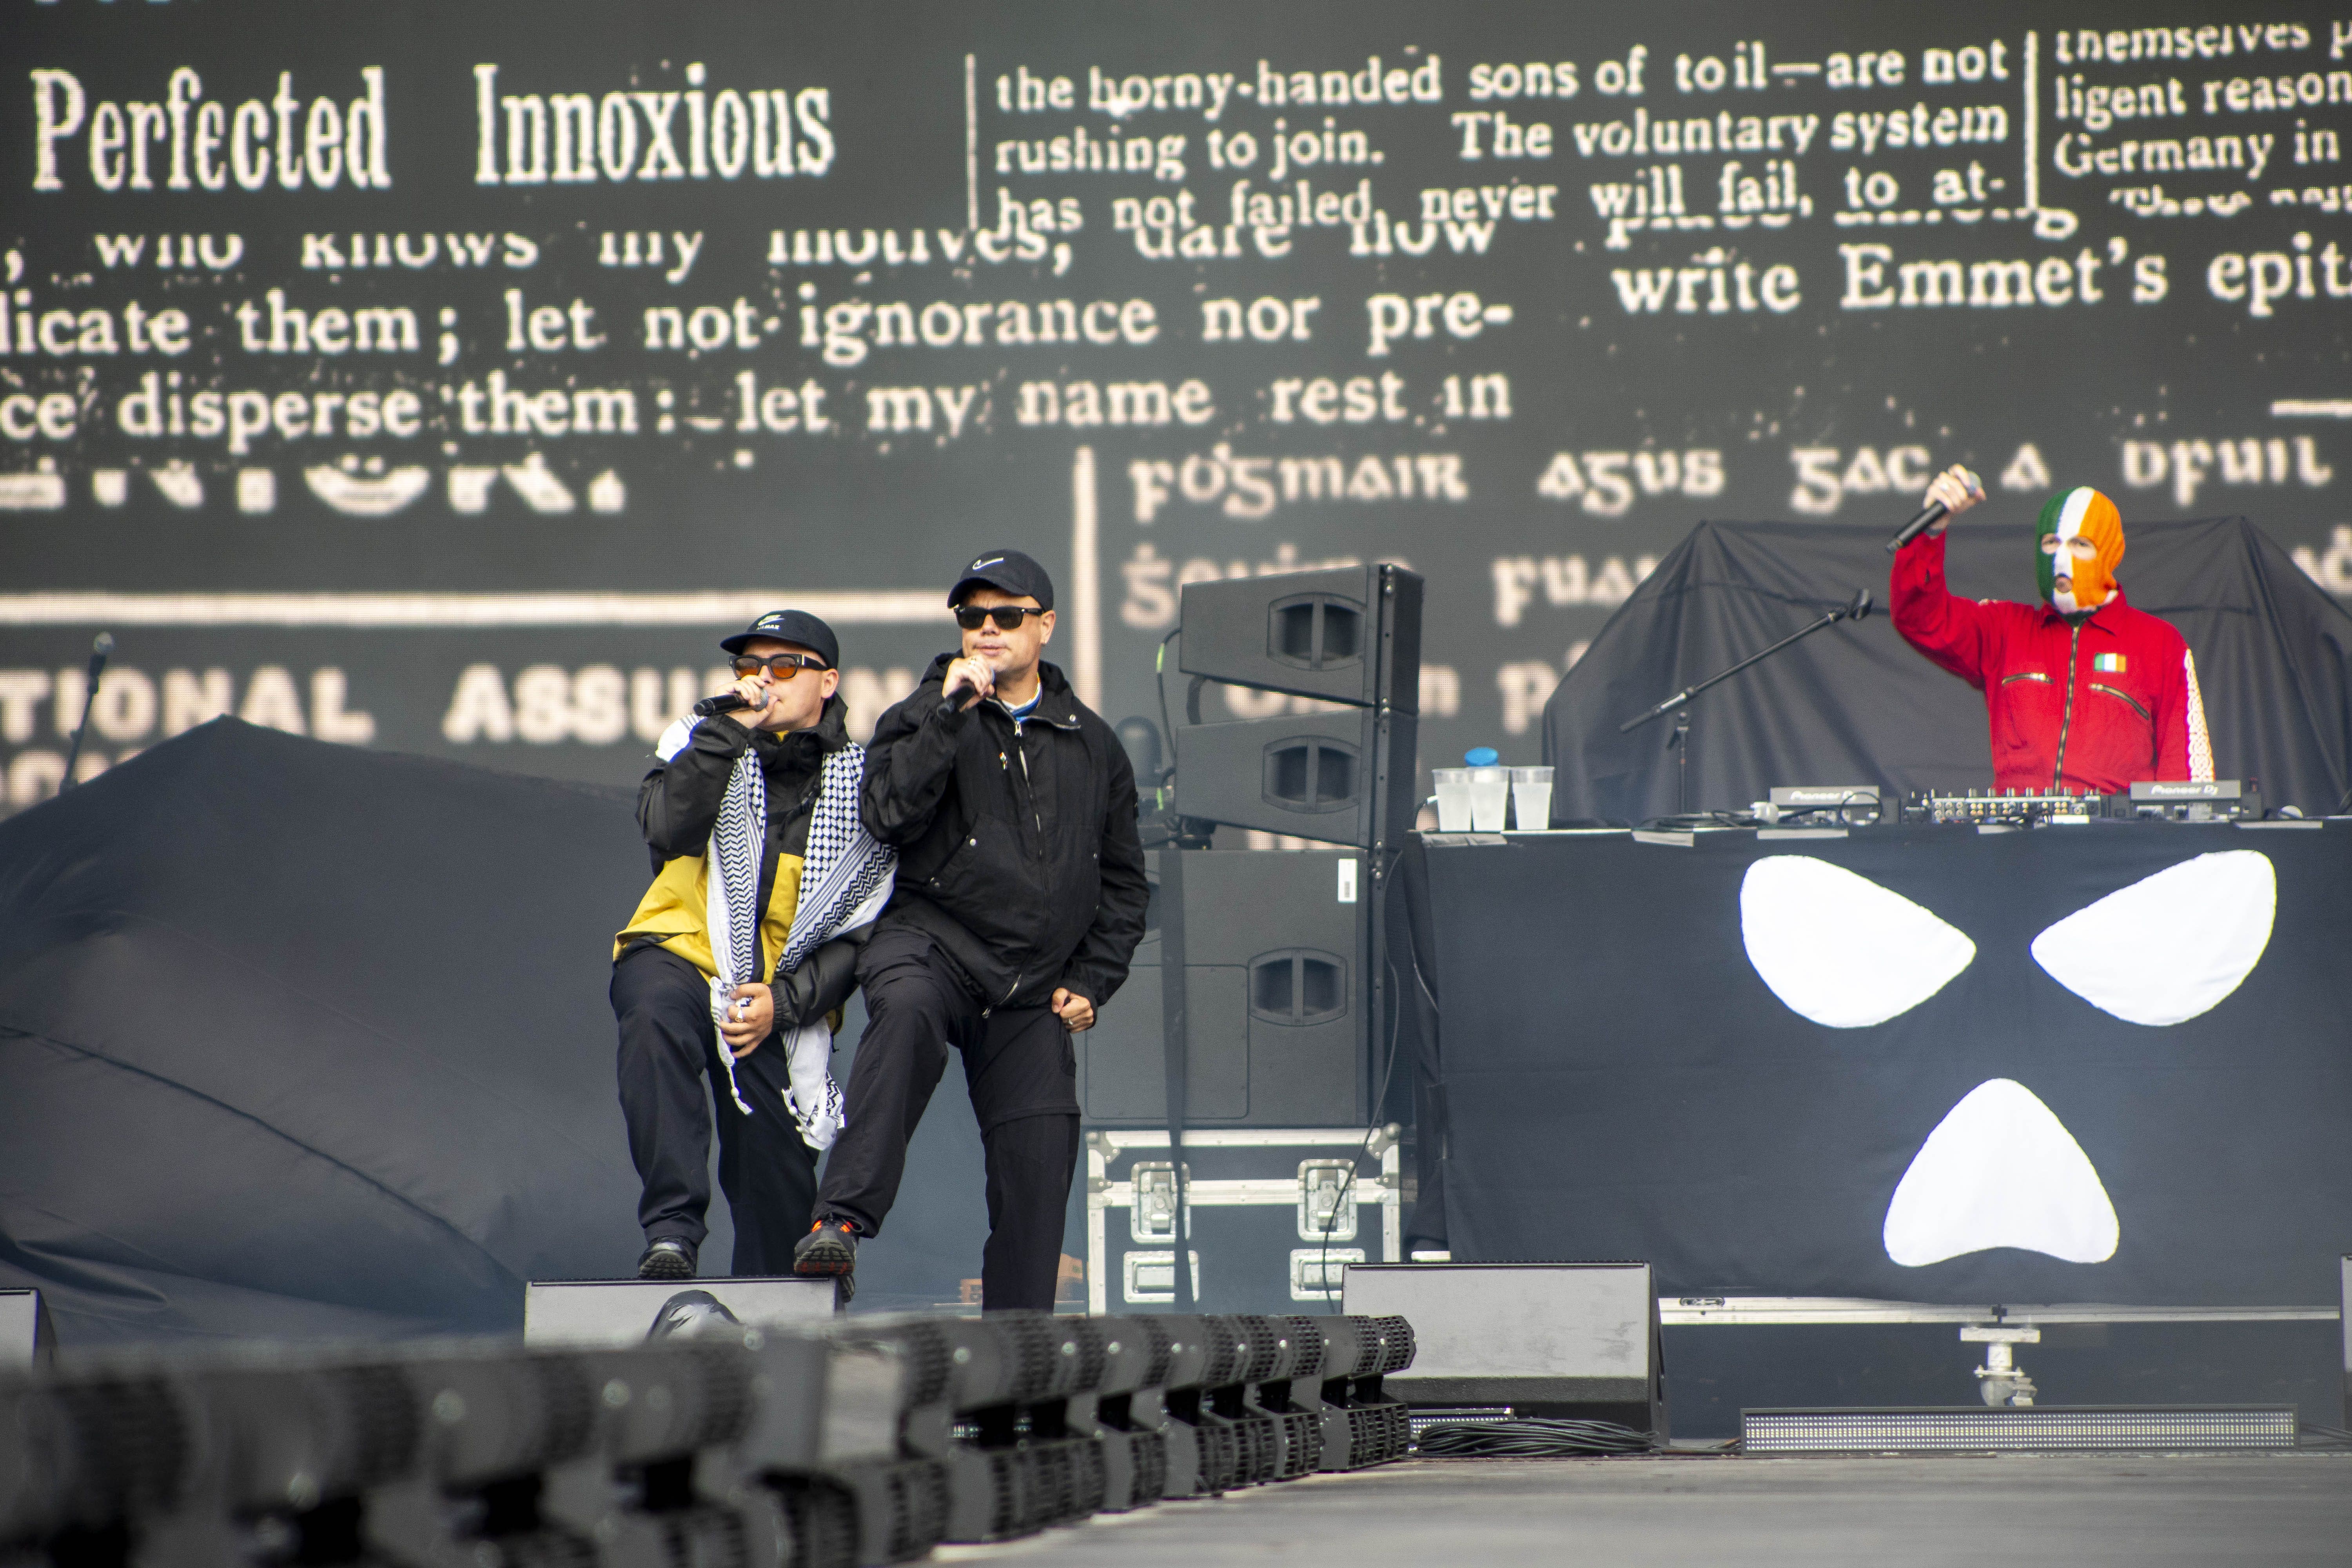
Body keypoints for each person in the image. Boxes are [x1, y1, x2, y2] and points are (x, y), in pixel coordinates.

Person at [792, 549, 1149, 1309]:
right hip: (932, 943)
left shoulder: (1092, 743)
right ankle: (839, 1222)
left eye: (1006, 615)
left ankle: (1019, 1344)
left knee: (1039, 1157)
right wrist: (950, 714)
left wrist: (1092, 979)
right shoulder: (922, 714)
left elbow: (1124, 882)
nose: (987, 629)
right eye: (972, 616)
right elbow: (888, 816)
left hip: (1029, 984)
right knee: (906, 1013)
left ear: (1045, 626)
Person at [610, 610, 894, 1280]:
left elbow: (863, 934)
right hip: (682, 949)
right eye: (749, 666)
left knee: (776, 1179)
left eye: (784, 666)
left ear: (828, 682)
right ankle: (672, 1231)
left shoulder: (866, 784)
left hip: (776, 997)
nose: (763, 679)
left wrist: (784, 1004)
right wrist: (728, 730)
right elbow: (668, 830)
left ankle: (774, 1317)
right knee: (654, 1015)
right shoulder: (699, 739)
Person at [1891, 466, 2214, 793]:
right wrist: (1930, 532)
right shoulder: (2004, 629)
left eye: (2080, 544)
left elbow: (2186, 768)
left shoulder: (2160, 642)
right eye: (2051, 543)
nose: (2061, 558)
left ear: (2109, 553)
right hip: (2018, 823)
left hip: (2113, 823)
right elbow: (1920, 618)